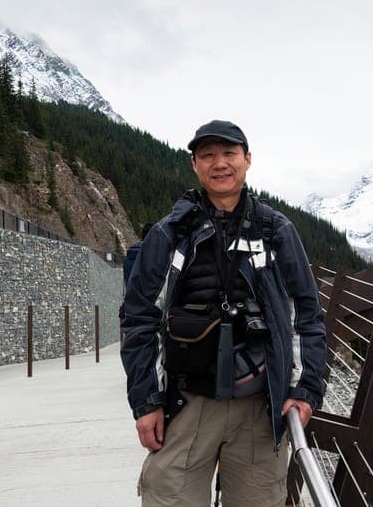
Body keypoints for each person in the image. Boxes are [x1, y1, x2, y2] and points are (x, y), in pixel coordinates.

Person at [120, 119, 327, 506]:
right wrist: (146, 403)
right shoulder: (170, 234)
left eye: (229, 153)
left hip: (259, 405)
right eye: (208, 155)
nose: (220, 163)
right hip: (185, 403)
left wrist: (305, 390)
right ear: (195, 165)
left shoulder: (276, 231)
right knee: (167, 498)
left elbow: (306, 315)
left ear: (247, 160)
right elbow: (139, 318)